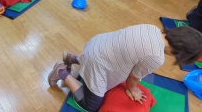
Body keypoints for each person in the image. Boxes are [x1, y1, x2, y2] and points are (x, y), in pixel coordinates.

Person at [48, 24, 202, 112]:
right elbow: (133, 77)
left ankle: (73, 58)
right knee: (92, 106)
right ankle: (61, 71)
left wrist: (130, 86)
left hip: (97, 44)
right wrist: (132, 89)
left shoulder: (153, 29)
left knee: (104, 60)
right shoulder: (156, 57)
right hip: (97, 60)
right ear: (181, 52)